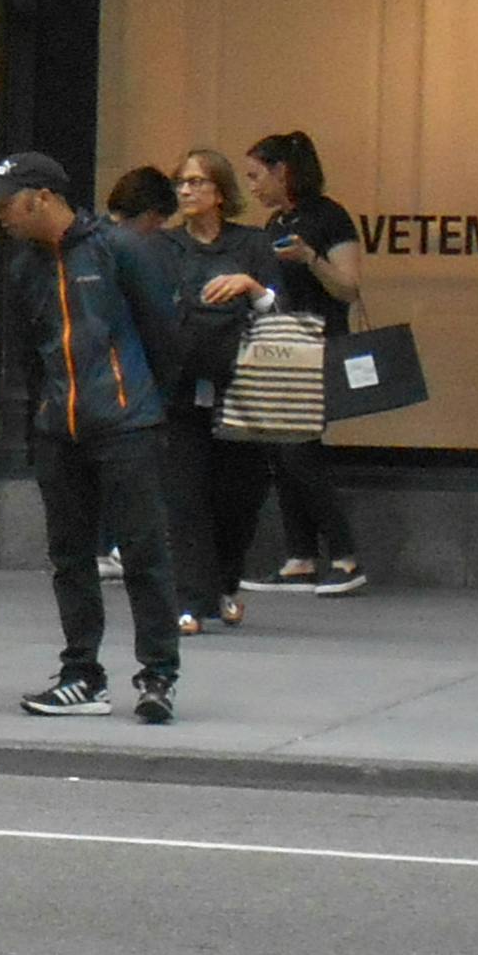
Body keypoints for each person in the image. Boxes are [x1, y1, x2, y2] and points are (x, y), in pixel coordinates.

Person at [0, 151, 192, 725]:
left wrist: (146, 405)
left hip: (126, 424)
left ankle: (158, 674)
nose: (0, 214)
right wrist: (41, 420)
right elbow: (29, 351)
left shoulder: (119, 248)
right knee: (70, 557)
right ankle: (82, 675)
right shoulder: (25, 266)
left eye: (7, 202)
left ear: (42, 197)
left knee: (145, 554)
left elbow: (164, 335)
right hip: (61, 429)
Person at [139, 147, 270, 634]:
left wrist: (251, 287)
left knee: (238, 496)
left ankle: (225, 583)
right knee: (184, 494)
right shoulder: (163, 246)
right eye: (182, 182)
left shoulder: (252, 246)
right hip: (180, 386)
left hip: (244, 390)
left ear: (220, 192)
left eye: (197, 182)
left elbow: (284, 312)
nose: (187, 191)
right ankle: (188, 599)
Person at [240, 130, 370, 594]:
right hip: (281, 345)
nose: (252, 186)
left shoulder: (327, 218)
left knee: (300, 451)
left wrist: (310, 258)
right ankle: (300, 556)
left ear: (282, 171)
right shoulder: (275, 224)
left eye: (257, 175)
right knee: (282, 451)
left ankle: (345, 555)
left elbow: (349, 287)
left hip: (319, 345)